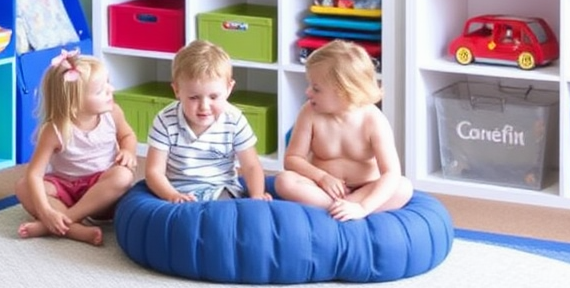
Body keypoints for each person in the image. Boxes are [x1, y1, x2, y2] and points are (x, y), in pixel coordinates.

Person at [275, 39, 411, 221]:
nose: (308, 92)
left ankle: (346, 209)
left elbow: (391, 173)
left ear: (344, 92)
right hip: (321, 189)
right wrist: (322, 177)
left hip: (365, 189)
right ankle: (337, 209)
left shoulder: (373, 120)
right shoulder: (309, 112)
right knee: (285, 181)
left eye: (316, 88)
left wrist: (363, 206)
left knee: (403, 187)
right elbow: (292, 159)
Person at [15, 49, 137, 246]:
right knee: (23, 187)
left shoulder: (112, 113)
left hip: (101, 190)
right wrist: (45, 210)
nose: (111, 90)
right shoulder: (54, 130)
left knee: (124, 176)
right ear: (73, 103)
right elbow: (34, 175)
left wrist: (128, 151)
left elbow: (127, 135)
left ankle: (59, 222)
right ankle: (71, 229)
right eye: (100, 90)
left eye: (108, 83)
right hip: (65, 188)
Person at [145, 39, 270, 203]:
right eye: (194, 97)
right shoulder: (165, 120)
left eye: (213, 97)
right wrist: (171, 195)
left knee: (223, 216)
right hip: (181, 192)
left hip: (220, 189)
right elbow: (154, 171)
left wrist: (256, 195)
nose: (204, 106)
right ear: (177, 90)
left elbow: (251, 165)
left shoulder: (234, 119)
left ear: (229, 89)